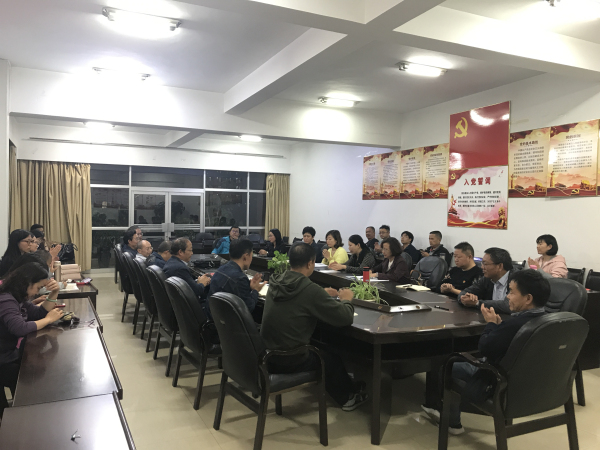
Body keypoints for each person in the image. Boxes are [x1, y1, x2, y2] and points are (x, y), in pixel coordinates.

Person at [422, 270, 550, 435]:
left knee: (444, 363)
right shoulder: (548, 321)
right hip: (533, 386)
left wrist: (491, 325)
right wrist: (499, 328)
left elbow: (485, 347)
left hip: (497, 381)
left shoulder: (514, 325)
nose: (507, 297)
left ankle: (451, 421)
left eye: (512, 292)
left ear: (528, 298)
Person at [261, 242, 368, 411]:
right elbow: (345, 317)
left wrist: (320, 294)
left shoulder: (277, 280)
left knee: (322, 347)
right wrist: (347, 299)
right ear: (310, 263)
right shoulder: (309, 290)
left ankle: (350, 386)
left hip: (267, 353)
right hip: (289, 358)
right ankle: (348, 398)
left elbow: (302, 297)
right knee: (330, 358)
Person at [0, 263, 65, 417]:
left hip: (8, 354)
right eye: (38, 287)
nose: (37, 292)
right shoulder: (6, 299)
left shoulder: (17, 297)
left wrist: (54, 292)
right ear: (27, 282)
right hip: (3, 359)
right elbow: (20, 328)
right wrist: (48, 320)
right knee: (34, 382)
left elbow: (38, 313)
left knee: (38, 375)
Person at [208, 239, 265, 321]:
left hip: (214, 318)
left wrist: (250, 287)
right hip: (228, 323)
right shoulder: (239, 278)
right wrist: (255, 290)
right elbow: (249, 308)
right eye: (251, 256)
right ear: (245, 257)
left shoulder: (221, 269)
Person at [458, 247, 517, 315]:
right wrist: (464, 298)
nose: (482, 267)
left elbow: (509, 305)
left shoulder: (517, 279)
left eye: (485, 264)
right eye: (482, 264)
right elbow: (464, 292)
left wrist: (477, 303)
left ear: (500, 266)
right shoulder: (487, 278)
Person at [163, 238, 211, 304]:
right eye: (190, 250)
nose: (192, 253)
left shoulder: (171, 262)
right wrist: (202, 283)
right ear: (180, 252)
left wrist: (198, 282)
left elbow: (188, 286)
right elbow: (196, 291)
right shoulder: (179, 268)